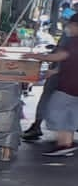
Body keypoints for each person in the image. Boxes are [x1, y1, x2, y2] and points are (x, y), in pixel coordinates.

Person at [24, 16, 78, 144]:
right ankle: (65, 145)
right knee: (68, 114)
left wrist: (34, 56)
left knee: (54, 110)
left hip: (68, 86)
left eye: (70, 26)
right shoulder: (72, 41)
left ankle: (64, 145)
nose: (68, 28)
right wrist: (55, 71)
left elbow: (60, 56)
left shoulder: (73, 42)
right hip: (69, 84)